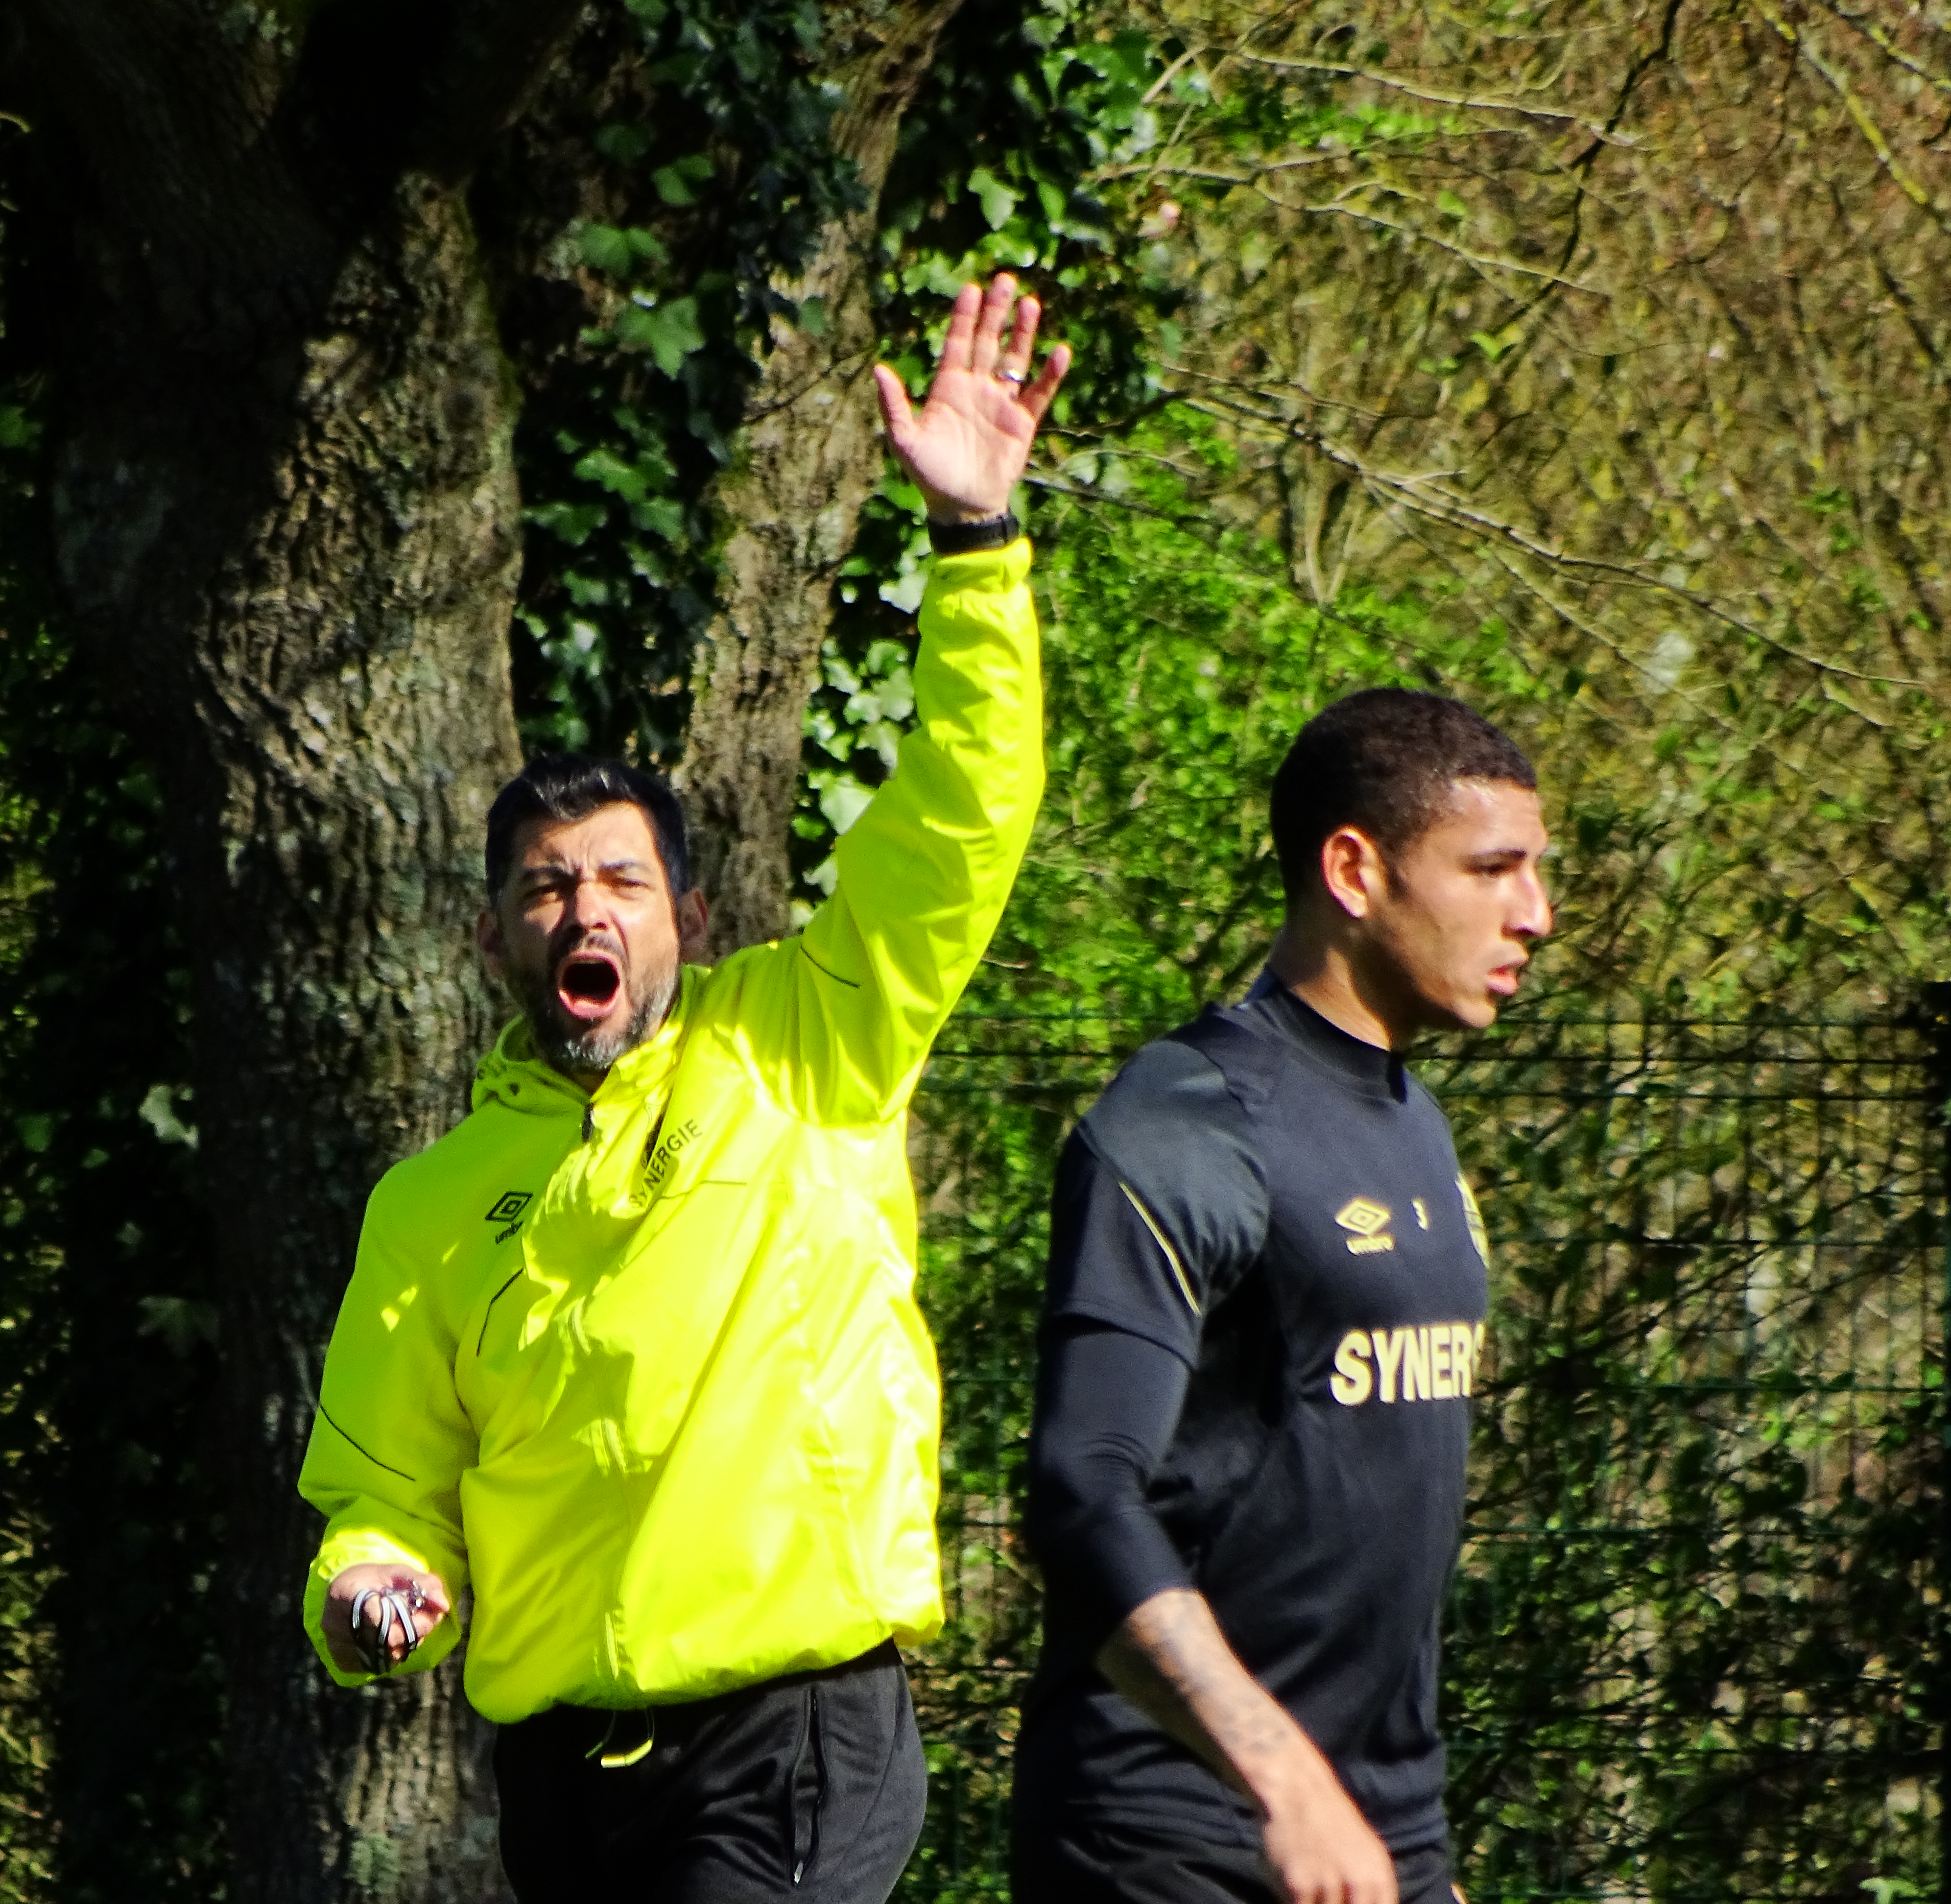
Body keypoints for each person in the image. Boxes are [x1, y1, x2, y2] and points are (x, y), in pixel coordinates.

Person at [292, 275, 1069, 1904]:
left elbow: (957, 823)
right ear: (497, 932)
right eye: (547, 886)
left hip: (787, 1736)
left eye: (624, 882)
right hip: (563, 1777)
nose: (586, 912)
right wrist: (366, 1586)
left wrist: (978, 544)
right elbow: (379, 1489)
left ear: (690, 917)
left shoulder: (810, 1040)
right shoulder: (430, 1206)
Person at [1009, 690, 1554, 1904]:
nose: (1537, 915)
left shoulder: (1417, 1125)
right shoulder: (1185, 1121)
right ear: (1355, 870)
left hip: (1376, 1843)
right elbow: (1078, 1489)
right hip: (1170, 1838)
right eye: (1494, 869)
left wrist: (1415, 1847)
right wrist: (1283, 1779)